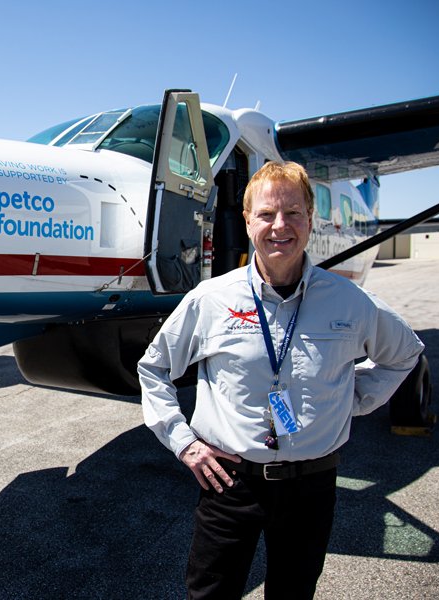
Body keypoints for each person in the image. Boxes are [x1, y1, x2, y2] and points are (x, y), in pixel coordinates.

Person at [137, 161, 424, 599]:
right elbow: (153, 367)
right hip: (229, 483)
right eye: (267, 214)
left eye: (293, 213)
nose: (280, 226)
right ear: (248, 220)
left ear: (311, 219)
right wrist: (184, 441)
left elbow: (404, 354)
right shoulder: (211, 299)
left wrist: (352, 399)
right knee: (209, 594)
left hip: (312, 486)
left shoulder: (351, 301)